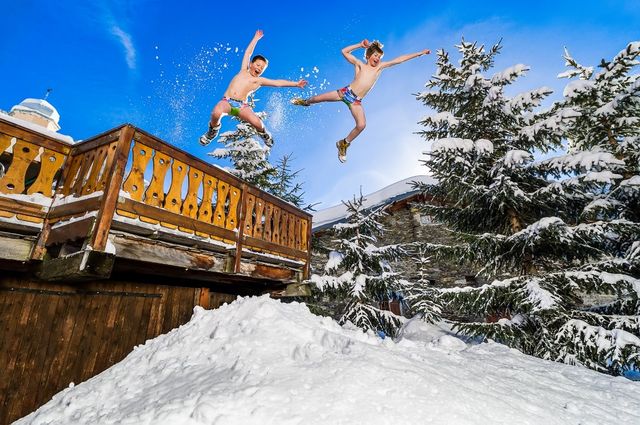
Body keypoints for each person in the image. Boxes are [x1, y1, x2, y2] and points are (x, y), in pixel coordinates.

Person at [292, 40, 430, 162]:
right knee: (317, 99)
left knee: (362, 125)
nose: (378, 59)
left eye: (380, 57)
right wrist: (360, 45)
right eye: (375, 55)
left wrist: (420, 53)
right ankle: (305, 102)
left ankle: (344, 143)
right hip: (345, 92)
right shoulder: (360, 65)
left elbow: (400, 59)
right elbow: (344, 51)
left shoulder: (379, 68)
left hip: (356, 101)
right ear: (368, 56)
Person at [200, 30, 307, 147]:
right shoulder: (243, 70)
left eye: (262, 68)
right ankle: (212, 132)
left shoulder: (259, 81)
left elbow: (277, 83)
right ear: (251, 64)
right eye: (258, 65)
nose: (260, 68)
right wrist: (255, 39)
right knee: (216, 112)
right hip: (227, 101)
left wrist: (295, 84)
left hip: (242, 106)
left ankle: (265, 134)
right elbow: (248, 53)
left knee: (257, 122)